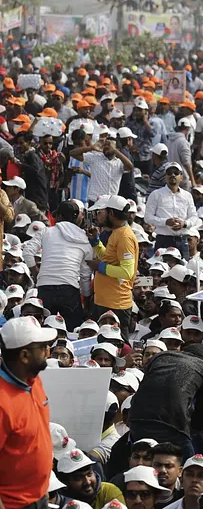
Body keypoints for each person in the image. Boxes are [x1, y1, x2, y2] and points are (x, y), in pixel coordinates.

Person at [0, 316, 56, 509]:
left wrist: (42, 486)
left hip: (38, 496)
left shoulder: (33, 380)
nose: (47, 351)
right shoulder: (2, 402)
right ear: (24, 356)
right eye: (42, 347)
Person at [128, 347, 203, 460]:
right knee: (187, 464)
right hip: (173, 424)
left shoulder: (161, 357)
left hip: (136, 418)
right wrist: (191, 430)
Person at [86, 195, 138, 337]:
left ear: (111, 214)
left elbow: (127, 272)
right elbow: (108, 258)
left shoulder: (125, 237)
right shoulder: (116, 232)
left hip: (116, 303)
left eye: (103, 212)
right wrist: (95, 242)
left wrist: (100, 267)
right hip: (106, 300)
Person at [36, 200, 92, 329]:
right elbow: (85, 275)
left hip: (45, 287)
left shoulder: (46, 232)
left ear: (60, 216)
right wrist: (86, 302)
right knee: (73, 331)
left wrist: (36, 273)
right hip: (69, 290)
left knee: (45, 331)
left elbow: (28, 253)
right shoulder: (85, 239)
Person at [144, 162, 199, 259]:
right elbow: (147, 218)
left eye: (176, 172)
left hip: (182, 240)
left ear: (181, 177)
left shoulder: (187, 196)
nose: (172, 175)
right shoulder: (156, 194)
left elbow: (194, 217)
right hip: (163, 240)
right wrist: (166, 222)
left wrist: (184, 223)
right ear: (165, 177)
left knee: (182, 267)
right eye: (169, 172)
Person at [57, 447, 125, 508]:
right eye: (79, 478)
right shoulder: (56, 500)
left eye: (89, 474)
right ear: (64, 483)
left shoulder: (108, 491)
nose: (87, 482)